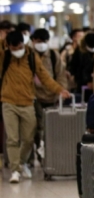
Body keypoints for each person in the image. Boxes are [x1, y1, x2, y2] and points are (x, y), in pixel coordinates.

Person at [1, 30, 70, 183]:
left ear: (23, 44)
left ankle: (21, 162)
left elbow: (44, 76)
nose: (16, 51)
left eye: (18, 47)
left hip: (28, 103)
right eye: (12, 48)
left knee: (28, 138)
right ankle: (15, 170)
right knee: (12, 139)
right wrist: (3, 42)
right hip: (8, 102)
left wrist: (59, 89)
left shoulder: (31, 57)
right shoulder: (4, 56)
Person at [31, 28, 69, 160]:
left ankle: (48, 153)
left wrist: (61, 92)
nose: (41, 43)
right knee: (37, 127)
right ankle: (39, 152)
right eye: (38, 41)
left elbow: (60, 75)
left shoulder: (53, 56)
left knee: (50, 128)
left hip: (52, 97)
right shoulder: (29, 55)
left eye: (44, 41)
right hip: (34, 97)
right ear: (33, 41)